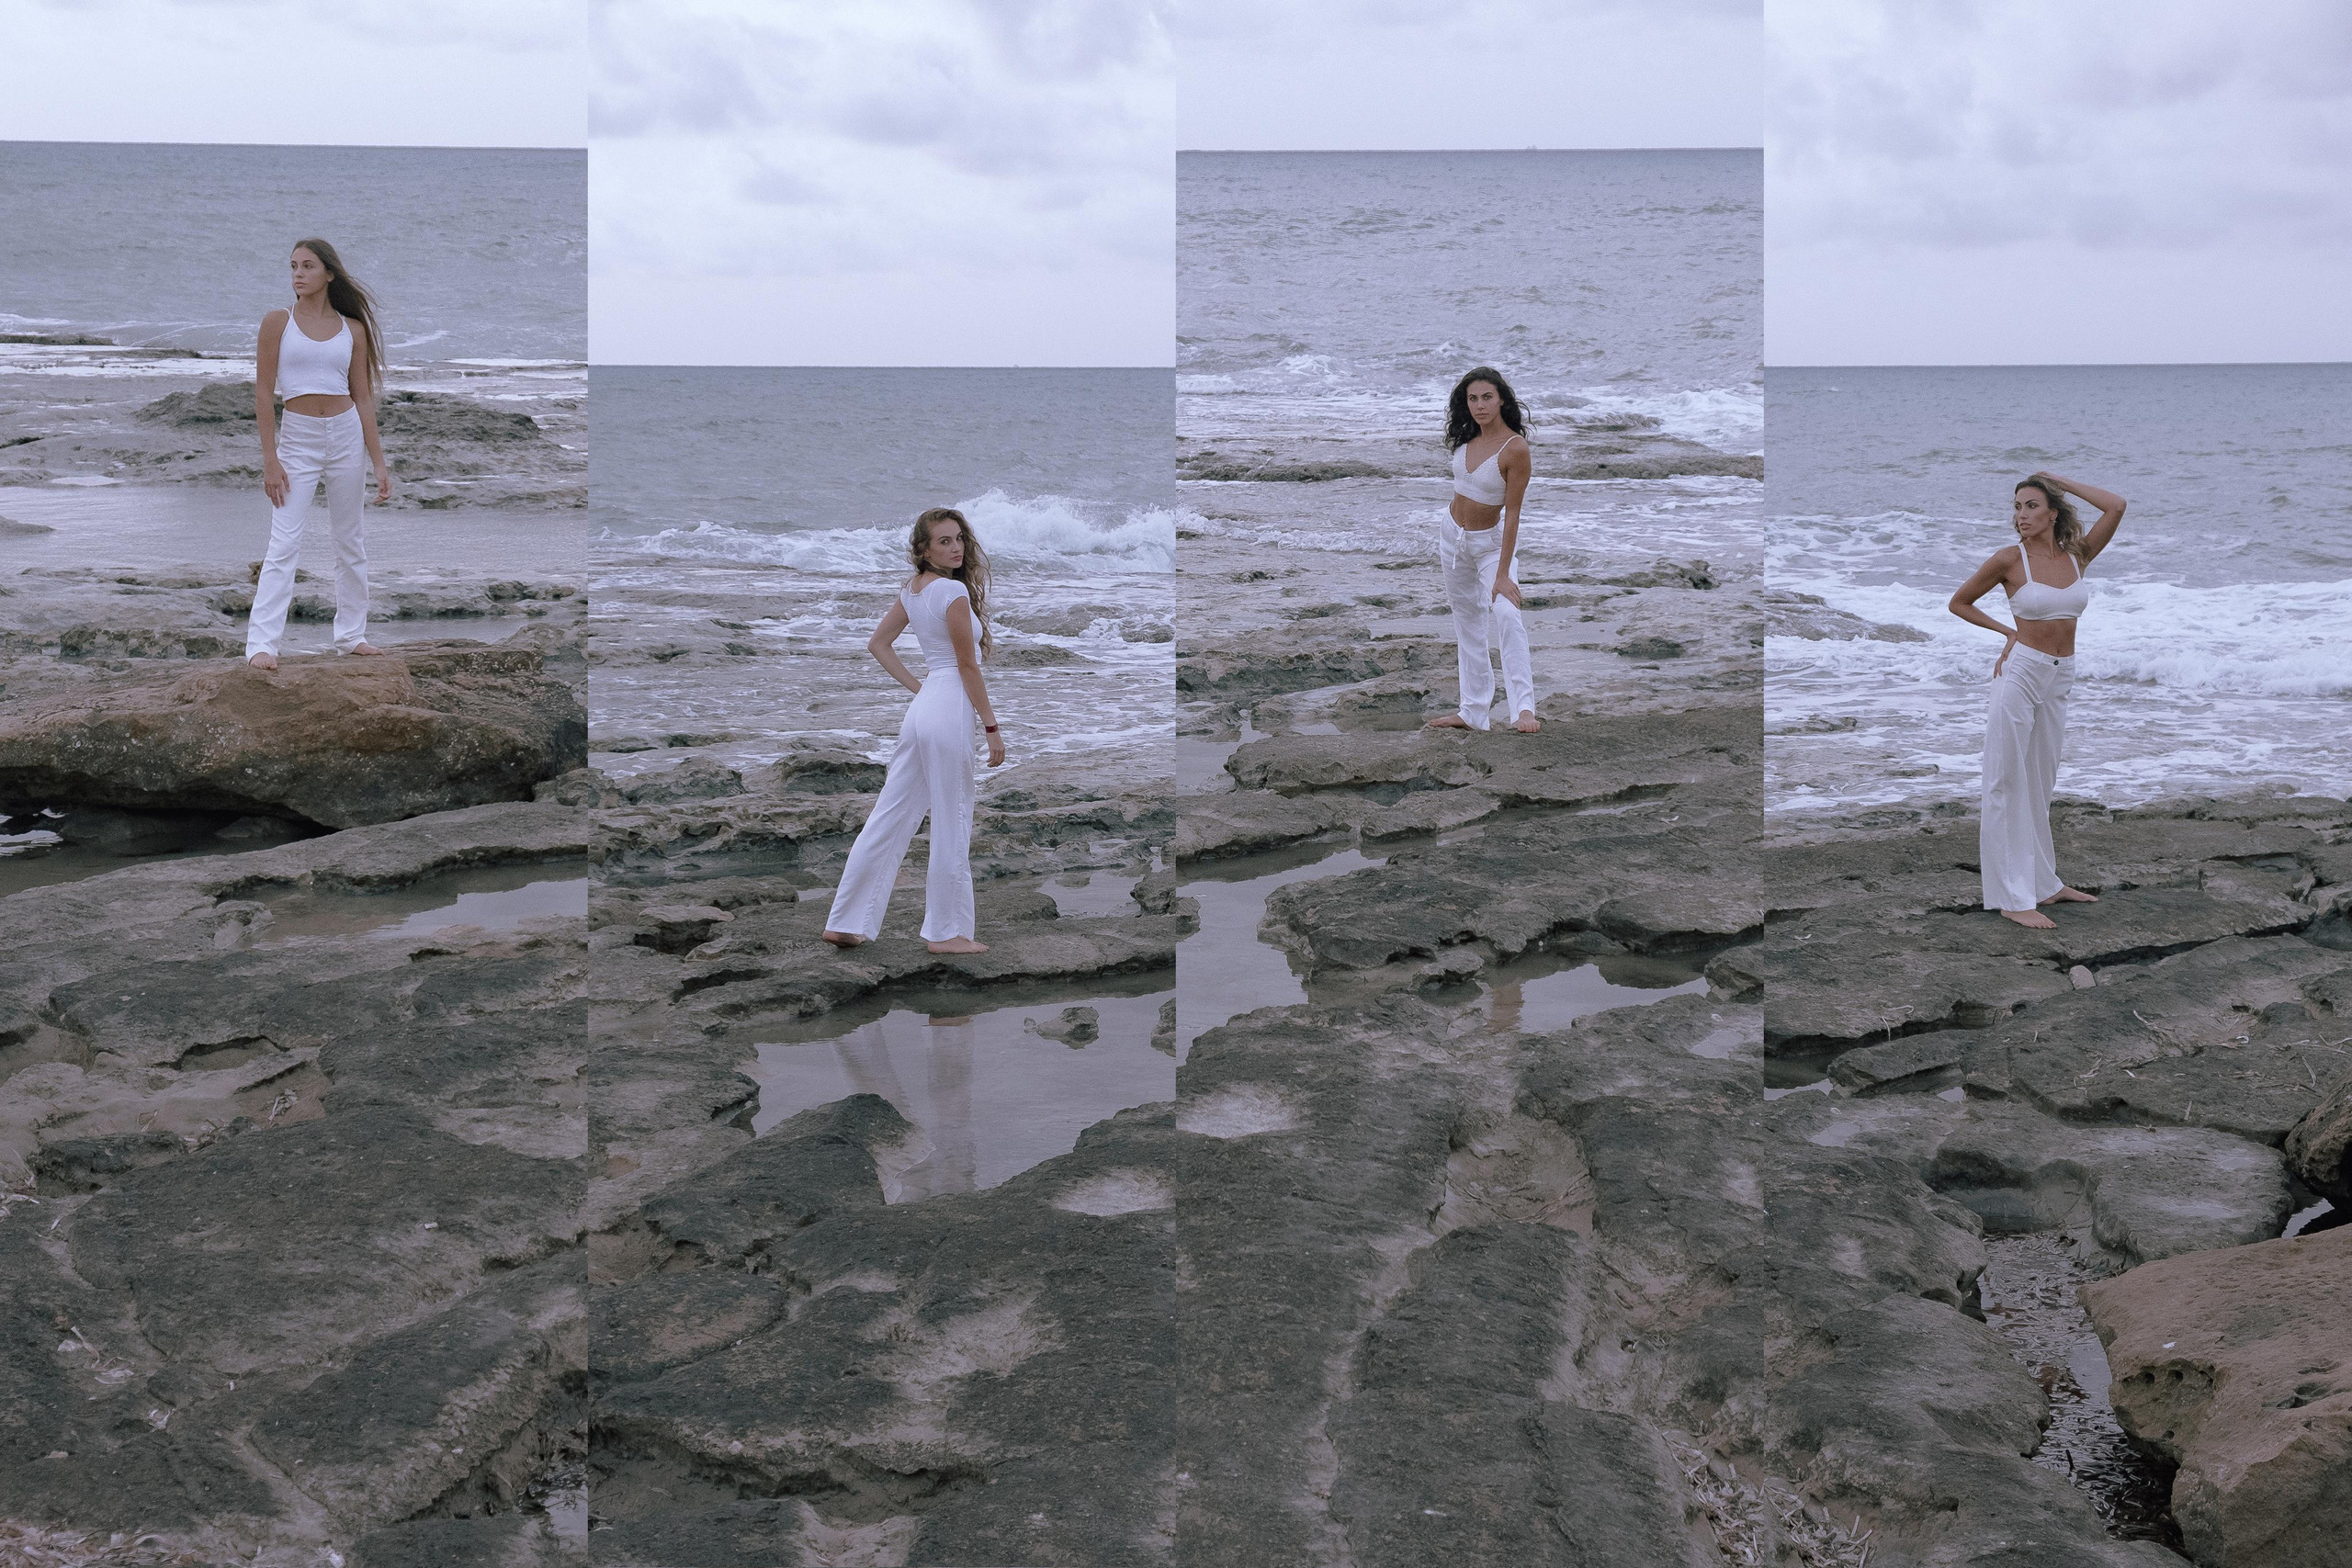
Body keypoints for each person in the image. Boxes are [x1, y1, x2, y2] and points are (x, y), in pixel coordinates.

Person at [1946, 471, 2129, 927]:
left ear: (2052, 512)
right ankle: (2012, 897)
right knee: (2005, 780)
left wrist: (2059, 480)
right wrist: (2008, 632)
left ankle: (2045, 884)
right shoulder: (2009, 560)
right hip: (2021, 672)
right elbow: (1960, 602)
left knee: (2040, 781)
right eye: (2017, 507)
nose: (2021, 515)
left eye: (2031, 506)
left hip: (2060, 674)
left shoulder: (2077, 556)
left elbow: (2117, 505)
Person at [821, 507, 1006, 954]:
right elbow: (966, 667)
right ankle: (947, 932)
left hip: (925, 708)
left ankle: (846, 921)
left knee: (890, 816)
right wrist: (991, 728)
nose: (956, 547)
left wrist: (920, 689)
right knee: (953, 819)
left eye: (959, 538)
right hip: (947, 707)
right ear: (923, 548)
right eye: (944, 541)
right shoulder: (950, 593)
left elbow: (878, 645)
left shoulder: (914, 590)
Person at [246, 238, 392, 670]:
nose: (298, 273)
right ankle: (262, 645)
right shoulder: (277, 322)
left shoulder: (353, 329)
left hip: (346, 434)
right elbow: (262, 392)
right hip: (298, 439)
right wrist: (270, 459)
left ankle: (351, 636)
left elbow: (363, 398)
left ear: (329, 273)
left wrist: (379, 463)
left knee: (350, 540)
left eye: (308, 266)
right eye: (293, 266)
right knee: (284, 541)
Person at [1427, 367, 1540, 733]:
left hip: (1490, 545)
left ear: (1502, 399)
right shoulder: (1466, 437)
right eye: (1472, 398)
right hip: (1452, 537)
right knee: (1468, 623)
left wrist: (1504, 573)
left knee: (1507, 615)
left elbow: (1514, 513)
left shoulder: (1515, 449)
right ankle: (1473, 712)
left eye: (1487, 397)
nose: (1479, 405)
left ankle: (1524, 710)